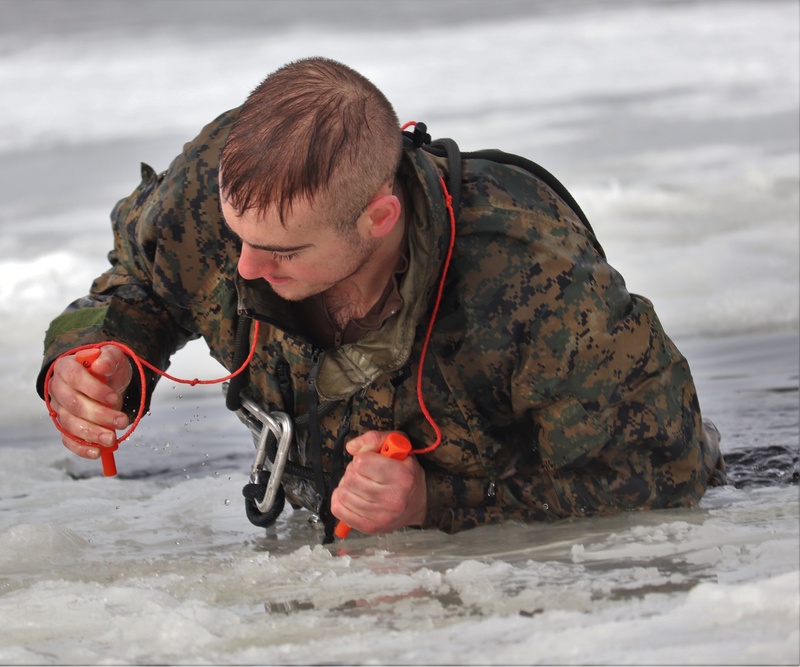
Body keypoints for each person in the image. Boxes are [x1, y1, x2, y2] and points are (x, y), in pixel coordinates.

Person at [38, 57, 725, 541]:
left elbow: (666, 470)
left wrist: (439, 503)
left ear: (378, 218)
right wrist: (101, 351)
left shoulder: (533, 285)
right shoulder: (225, 188)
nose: (243, 266)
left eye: (282, 252)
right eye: (236, 236)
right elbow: (140, 276)